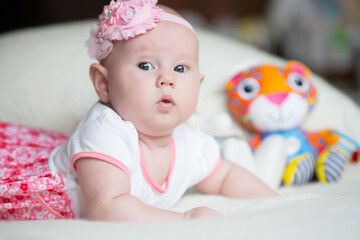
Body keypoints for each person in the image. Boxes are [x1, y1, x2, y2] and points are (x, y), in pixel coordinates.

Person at [0, 0, 277, 221]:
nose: (167, 79)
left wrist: (275, 204)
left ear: (198, 84)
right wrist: (182, 220)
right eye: (146, 65)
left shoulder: (189, 143)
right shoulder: (106, 130)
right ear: (104, 83)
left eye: (180, 68)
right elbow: (108, 207)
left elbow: (226, 176)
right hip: (34, 190)